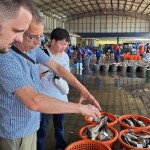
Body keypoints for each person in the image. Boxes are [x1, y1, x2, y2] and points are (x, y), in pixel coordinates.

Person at [0, 9, 101, 150]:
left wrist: (83, 90)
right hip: (15, 132)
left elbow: (58, 68)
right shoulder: (5, 59)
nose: (38, 42)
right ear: (19, 31)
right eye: (33, 37)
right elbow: (33, 101)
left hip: (31, 125)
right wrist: (80, 108)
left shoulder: (33, 50)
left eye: (40, 36)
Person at [37, 28, 70, 150]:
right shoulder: (41, 54)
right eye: (62, 44)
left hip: (60, 99)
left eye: (66, 45)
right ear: (53, 41)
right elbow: (30, 73)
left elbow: (67, 75)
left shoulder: (65, 57)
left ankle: (60, 147)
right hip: (44, 99)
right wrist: (37, 75)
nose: (64, 47)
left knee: (60, 128)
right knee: (42, 129)